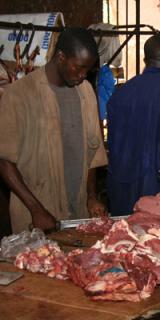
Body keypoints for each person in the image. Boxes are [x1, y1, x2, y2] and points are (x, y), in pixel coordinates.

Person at [0, 28, 107, 233]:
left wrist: (92, 197)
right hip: (35, 214)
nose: (83, 75)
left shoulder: (85, 92)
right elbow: (5, 162)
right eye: (78, 68)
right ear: (60, 57)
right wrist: (36, 209)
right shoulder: (19, 95)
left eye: (88, 70)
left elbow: (94, 152)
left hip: (78, 212)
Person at [107, 34, 160, 215]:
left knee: (123, 240)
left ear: (145, 60)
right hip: (158, 193)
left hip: (122, 190)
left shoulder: (121, 93)